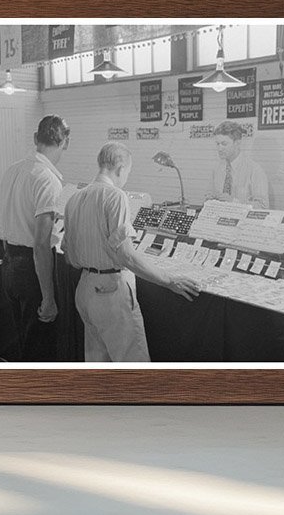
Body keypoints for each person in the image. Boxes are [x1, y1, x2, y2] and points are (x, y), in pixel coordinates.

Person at [63, 142, 201, 362]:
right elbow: (126, 255)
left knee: (98, 365)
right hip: (110, 293)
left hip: (85, 290)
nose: (126, 177)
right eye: (127, 171)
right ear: (120, 167)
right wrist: (169, 281)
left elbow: (68, 255)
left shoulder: (74, 199)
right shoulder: (115, 196)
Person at [0, 114, 70, 361]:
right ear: (66, 143)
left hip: (8, 263)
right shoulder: (48, 180)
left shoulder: (12, 170)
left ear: (35, 138)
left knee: (23, 338)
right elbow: (40, 245)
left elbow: (7, 220)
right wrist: (49, 298)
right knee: (40, 344)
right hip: (31, 270)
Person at [205, 121, 270, 208]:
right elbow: (209, 196)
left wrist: (233, 202)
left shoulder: (254, 170)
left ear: (237, 143)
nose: (219, 149)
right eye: (217, 144)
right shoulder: (216, 169)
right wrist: (210, 200)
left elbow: (263, 206)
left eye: (224, 144)